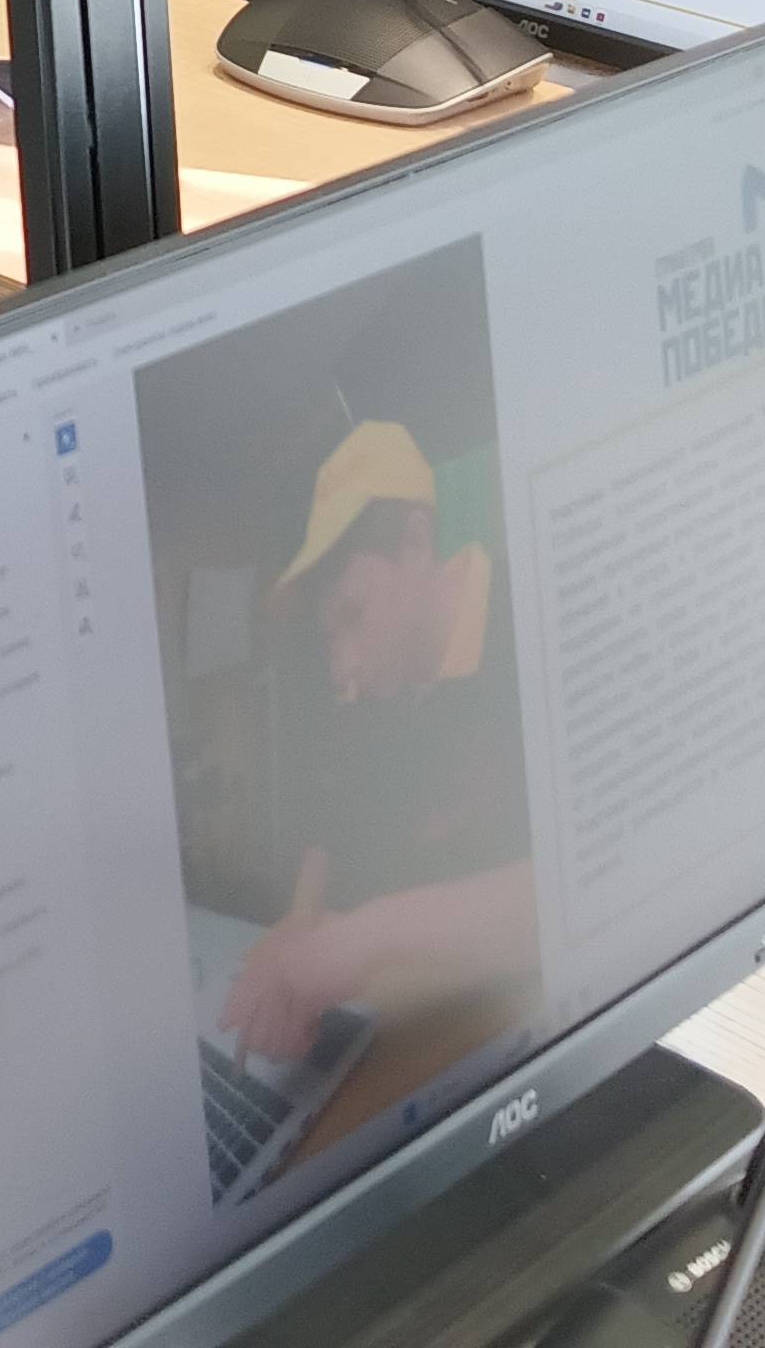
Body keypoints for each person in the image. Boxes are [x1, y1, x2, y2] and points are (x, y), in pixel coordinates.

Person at [219, 422, 537, 1067]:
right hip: (413, 1033)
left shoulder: (532, 615)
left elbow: (578, 883)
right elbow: (331, 821)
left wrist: (365, 938)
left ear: (417, 542)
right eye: (330, 638)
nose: (346, 672)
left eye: (353, 615)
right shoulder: (386, 694)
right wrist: (299, 923)